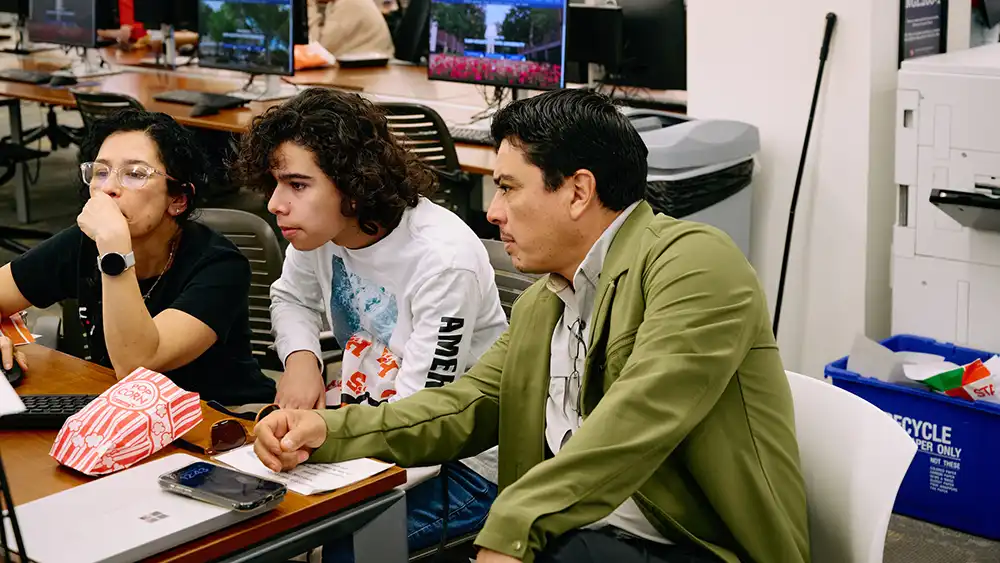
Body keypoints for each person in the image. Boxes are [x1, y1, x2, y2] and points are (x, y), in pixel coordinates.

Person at [253, 88, 810, 563]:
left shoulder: (693, 261)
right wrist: (330, 433)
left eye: (509, 188)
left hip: (688, 543)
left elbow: (633, 422)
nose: (492, 212)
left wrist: (517, 522)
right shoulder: (550, 300)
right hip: (579, 525)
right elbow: (466, 405)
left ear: (578, 192)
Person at [235, 87, 508, 560]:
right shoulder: (319, 232)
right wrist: (301, 362)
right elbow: (290, 298)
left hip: (459, 463)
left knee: (346, 545)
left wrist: (321, 436)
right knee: (248, 509)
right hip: (364, 425)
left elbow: (422, 419)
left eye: (297, 185)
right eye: (276, 183)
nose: (276, 203)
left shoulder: (442, 260)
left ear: (354, 184)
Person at [0, 110, 276, 407]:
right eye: (101, 172)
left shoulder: (221, 266)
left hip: (220, 422)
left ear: (178, 199)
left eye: (134, 174)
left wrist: (115, 251)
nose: (108, 188)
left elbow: (136, 364)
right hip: (120, 413)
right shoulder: (83, 244)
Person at [309, 0, 395, 58]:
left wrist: (308, 6)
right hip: (367, 69)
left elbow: (318, 51)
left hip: (374, 70)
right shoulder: (336, 4)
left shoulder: (350, 3)